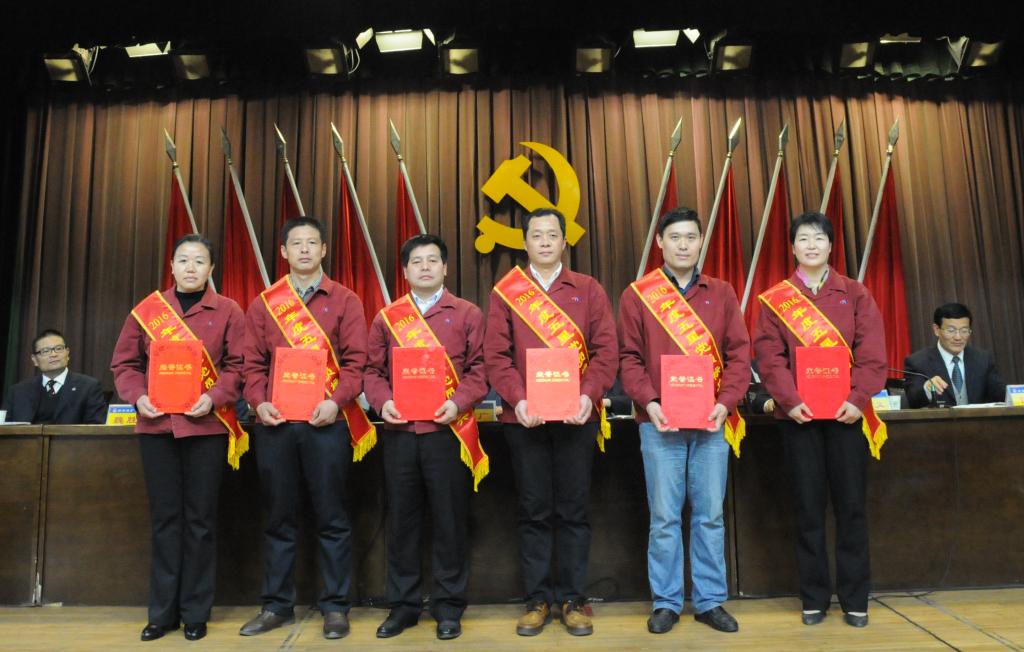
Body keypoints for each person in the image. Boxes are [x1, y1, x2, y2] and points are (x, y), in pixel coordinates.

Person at [484, 208, 618, 637]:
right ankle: (537, 600)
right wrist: (519, 399)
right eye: (537, 235)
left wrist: (588, 394)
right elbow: (496, 357)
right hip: (525, 419)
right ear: (525, 243)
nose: (544, 242)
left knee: (574, 510)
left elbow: (606, 352)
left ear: (564, 241)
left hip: (577, 417)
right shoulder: (507, 293)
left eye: (552, 235)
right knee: (534, 510)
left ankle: (573, 600)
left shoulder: (588, 289)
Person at [618, 208, 749, 635]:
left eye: (691, 237)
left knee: (710, 515)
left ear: (700, 242)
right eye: (674, 237)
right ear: (660, 242)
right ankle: (667, 602)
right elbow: (628, 359)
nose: (683, 245)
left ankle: (710, 601)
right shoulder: (638, 295)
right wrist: (650, 402)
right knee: (664, 518)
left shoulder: (722, 293)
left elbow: (739, 355)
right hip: (658, 424)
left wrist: (726, 403)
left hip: (711, 422)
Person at [753, 211, 887, 629]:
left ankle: (855, 600)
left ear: (831, 246)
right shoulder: (775, 299)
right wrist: (789, 401)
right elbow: (769, 358)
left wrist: (857, 399)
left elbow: (872, 354)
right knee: (807, 510)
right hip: (799, 420)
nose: (811, 245)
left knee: (851, 509)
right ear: (792, 247)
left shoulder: (856, 294)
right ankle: (813, 598)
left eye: (819, 238)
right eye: (803, 239)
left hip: (847, 418)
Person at [110, 234, 246, 642]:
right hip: (156, 429)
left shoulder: (228, 310)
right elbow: (124, 364)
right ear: (171, 266)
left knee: (200, 521)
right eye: (183, 260)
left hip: (206, 429)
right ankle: (162, 613)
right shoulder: (148, 310)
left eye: (199, 261)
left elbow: (238, 366)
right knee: (165, 520)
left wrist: (213, 397)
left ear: (211, 269)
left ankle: (195, 612)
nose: (191, 267)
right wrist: (138, 396)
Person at [239, 216, 369, 640]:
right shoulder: (265, 304)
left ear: (324, 250)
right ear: (283, 252)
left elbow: (357, 363)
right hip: (276, 426)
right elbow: (251, 364)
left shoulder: (346, 300)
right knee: (279, 517)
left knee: (333, 516)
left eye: (313, 243)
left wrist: (336, 402)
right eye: (297, 243)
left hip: (326, 424)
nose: (305, 250)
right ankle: (277, 605)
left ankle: (335, 607)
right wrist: (259, 402)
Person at [364, 234, 488, 641]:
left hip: (447, 432)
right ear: (405, 271)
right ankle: (403, 606)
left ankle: (448, 606)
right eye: (416, 262)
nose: (425, 267)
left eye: (433, 260)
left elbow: (479, 371)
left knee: (449, 520)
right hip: (400, 433)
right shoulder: (387, 318)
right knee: (402, 521)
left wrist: (458, 402)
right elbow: (372, 372)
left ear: (445, 268)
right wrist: (383, 403)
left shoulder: (467, 313)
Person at [904, 303, 1006, 408]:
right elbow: (912, 400)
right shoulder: (918, 362)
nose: (958, 337)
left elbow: (1001, 394)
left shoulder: (983, 359)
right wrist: (927, 388)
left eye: (964, 331)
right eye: (951, 330)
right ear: (936, 330)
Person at [2, 329, 106, 424]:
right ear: (34, 360)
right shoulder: (17, 392)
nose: (53, 354)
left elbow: (96, 428)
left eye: (58, 349)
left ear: (67, 353)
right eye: (45, 351)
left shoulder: (88, 387)